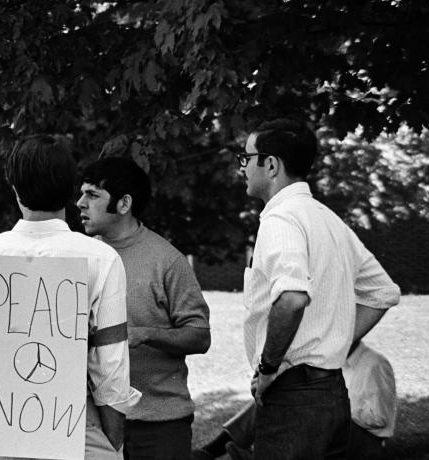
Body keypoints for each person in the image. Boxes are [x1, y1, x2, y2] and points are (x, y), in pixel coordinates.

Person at [0, 135, 141, 459]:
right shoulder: (101, 258)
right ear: (71, 191)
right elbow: (111, 366)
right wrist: (112, 438)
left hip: (3, 432)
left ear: (14, 188)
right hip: (81, 432)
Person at [237, 118, 400, 458]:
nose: (243, 167)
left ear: (270, 165)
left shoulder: (280, 218)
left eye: (246, 158)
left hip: (293, 396)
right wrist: (335, 344)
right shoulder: (326, 218)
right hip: (332, 391)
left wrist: (269, 368)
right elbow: (382, 292)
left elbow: (293, 298)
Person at [77, 157, 211, 460]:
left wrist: (142, 334)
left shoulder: (167, 261)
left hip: (157, 425)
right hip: (92, 422)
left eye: (93, 195)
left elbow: (200, 336)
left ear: (124, 204)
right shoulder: (81, 258)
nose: (80, 203)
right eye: (82, 193)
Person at [192, 341, 397, 460]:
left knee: (309, 411)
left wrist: (327, 409)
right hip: (330, 426)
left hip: (363, 441)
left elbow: (381, 420)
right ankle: (210, 452)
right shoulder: (327, 361)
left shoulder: (375, 364)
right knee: (278, 400)